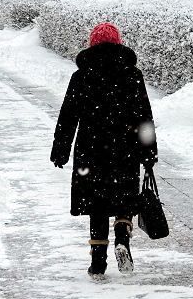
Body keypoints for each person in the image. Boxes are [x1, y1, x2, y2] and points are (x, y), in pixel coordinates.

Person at [50, 22, 157, 280]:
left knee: (96, 204)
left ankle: (98, 263)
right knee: (123, 197)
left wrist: (61, 148)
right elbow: (144, 117)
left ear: (92, 44)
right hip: (125, 148)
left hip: (91, 150)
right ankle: (122, 237)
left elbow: (68, 116)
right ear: (118, 43)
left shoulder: (82, 76)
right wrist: (149, 152)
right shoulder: (132, 75)